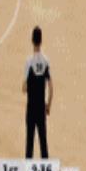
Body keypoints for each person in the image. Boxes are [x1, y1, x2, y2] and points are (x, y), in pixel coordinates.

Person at [23, 26, 53, 159]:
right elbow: (51, 87)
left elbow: (24, 88)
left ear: (32, 40)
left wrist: (28, 86)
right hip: (41, 107)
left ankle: (28, 170)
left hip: (31, 108)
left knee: (29, 143)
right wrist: (48, 105)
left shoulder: (29, 62)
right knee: (43, 143)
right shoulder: (46, 61)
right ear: (41, 41)